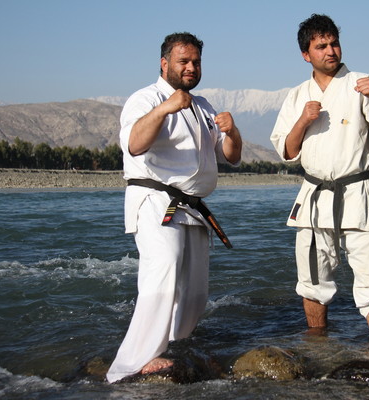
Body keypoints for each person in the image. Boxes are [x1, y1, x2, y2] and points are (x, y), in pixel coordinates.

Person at [107, 32, 242, 383]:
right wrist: (165, 108)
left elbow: (230, 156)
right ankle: (131, 364)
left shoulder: (204, 106)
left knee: (196, 293)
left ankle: (174, 346)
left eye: (196, 61)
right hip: (155, 200)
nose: (191, 67)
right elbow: (134, 144)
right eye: (183, 61)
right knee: (163, 272)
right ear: (164, 63)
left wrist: (233, 132)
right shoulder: (145, 99)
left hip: (192, 207)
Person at [270, 14, 369, 344]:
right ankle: (318, 349)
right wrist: (303, 121)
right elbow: (287, 151)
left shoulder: (362, 83)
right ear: (306, 54)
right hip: (315, 195)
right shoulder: (297, 95)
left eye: (334, 43)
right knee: (312, 281)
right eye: (321, 46)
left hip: (360, 191)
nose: (331, 51)